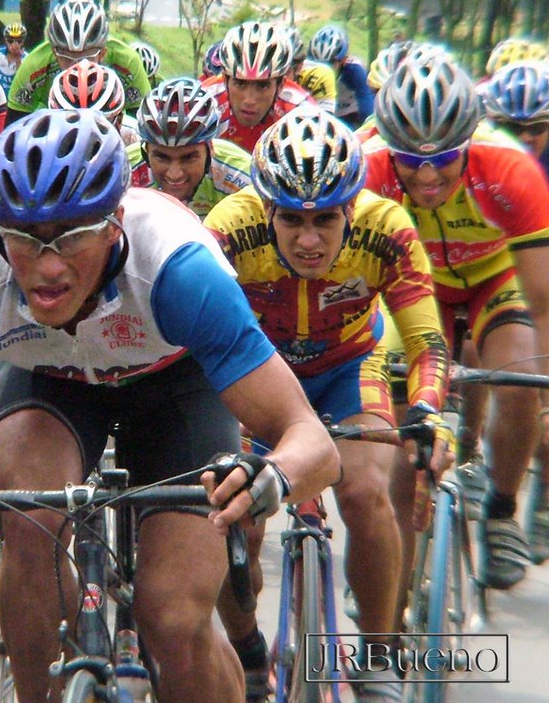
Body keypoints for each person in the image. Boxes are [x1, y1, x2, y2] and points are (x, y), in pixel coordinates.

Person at [0, 108, 342, 703]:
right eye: (25, 241)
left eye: (70, 238)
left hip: (174, 386)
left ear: (115, 222)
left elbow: (311, 442)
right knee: (31, 520)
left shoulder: (178, 269)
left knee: (172, 618)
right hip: (48, 385)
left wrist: (271, 477)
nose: (48, 266)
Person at [206, 108, 451, 703]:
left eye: (325, 220)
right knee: (230, 513)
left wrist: (427, 411)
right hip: (258, 375)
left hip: (350, 367)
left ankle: (377, 653)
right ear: (266, 210)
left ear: (352, 208)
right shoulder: (227, 228)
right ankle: (248, 652)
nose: (309, 239)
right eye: (291, 219)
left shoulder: (387, 227)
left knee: (367, 492)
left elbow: (427, 342)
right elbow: (190, 335)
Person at [364, 53, 549, 590]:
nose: (425, 176)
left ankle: (501, 509)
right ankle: (390, 586)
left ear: (467, 143)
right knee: (409, 431)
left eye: (444, 158)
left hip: (497, 277)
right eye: (410, 160)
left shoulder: (510, 167)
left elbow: (542, 301)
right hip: (415, 289)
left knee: (519, 381)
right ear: (388, 148)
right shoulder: (367, 167)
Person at [480, 60, 549, 563]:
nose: (524, 139)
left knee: (532, 390)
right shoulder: (487, 158)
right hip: (487, 268)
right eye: (511, 128)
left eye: (537, 129)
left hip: (534, 268)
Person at [6, 0, 151, 123]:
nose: (77, 65)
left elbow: (143, 128)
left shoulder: (127, 63)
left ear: (102, 54)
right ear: (55, 54)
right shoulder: (34, 66)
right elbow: (11, 132)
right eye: (67, 58)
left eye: (86, 57)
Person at [129, 77, 251, 217]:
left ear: (210, 148)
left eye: (188, 158)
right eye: (162, 157)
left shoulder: (239, 174)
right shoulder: (126, 170)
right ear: (145, 152)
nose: (174, 174)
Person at [200, 20, 313, 153]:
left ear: (281, 85)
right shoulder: (205, 101)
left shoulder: (302, 111)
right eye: (240, 83)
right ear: (225, 80)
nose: (249, 100)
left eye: (262, 86)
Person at [47, 59, 137, 144]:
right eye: (74, 129)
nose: (85, 138)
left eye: (99, 127)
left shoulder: (134, 138)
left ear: (119, 120)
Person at [308, 25, 373, 129]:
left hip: (350, 118)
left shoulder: (355, 71)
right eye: (319, 63)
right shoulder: (308, 71)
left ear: (343, 60)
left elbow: (367, 109)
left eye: (331, 63)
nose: (325, 69)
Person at [285, 25, 337, 113]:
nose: (276, 79)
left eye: (284, 71)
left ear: (299, 67)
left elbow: (322, 123)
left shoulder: (320, 75)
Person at [0, 22, 28, 95]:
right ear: (5, 40)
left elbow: (23, 83)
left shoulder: (27, 59)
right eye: (10, 41)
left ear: (23, 42)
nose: (14, 45)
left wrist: (18, 61)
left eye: (19, 41)